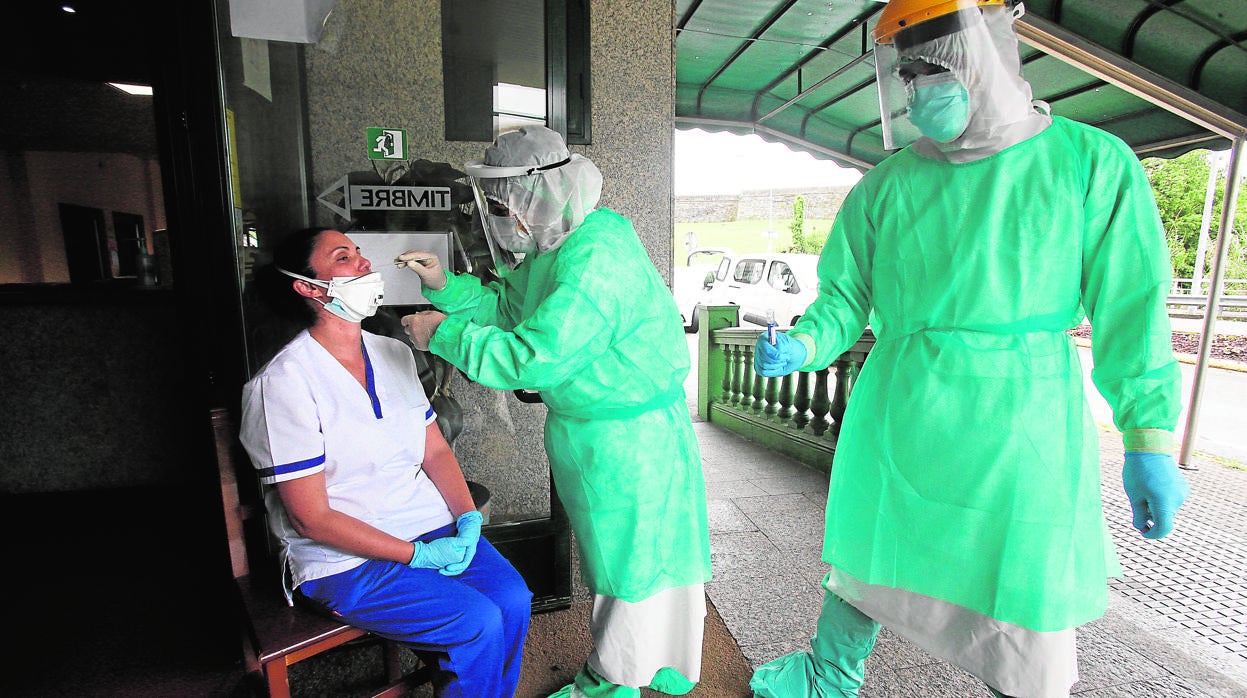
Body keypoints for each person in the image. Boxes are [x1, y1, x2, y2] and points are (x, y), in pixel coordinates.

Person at [747, 2, 1191, 697]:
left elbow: (1131, 309)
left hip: (1021, 421)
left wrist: (1150, 438)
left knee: (1019, 585)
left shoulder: (1089, 164)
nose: (916, 88)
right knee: (873, 553)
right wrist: (804, 342)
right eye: (906, 73)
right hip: (903, 408)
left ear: (982, 59)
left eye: (930, 69)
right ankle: (828, 672)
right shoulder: (888, 185)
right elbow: (842, 299)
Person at [397, 125, 712, 698]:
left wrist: (442, 335)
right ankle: (658, 665)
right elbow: (511, 306)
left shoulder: (594, 259)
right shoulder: (565, 244)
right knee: (646, 559)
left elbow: (532, 356)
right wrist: (446, 286)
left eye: (499, 203)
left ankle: (612, 682)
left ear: (536, 195)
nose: (495, 217)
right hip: (611, 432)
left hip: (625, 440)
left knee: (627, 570)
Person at [239, 227, 532, 698]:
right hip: (344, 559)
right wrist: (415, 556)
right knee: (475, 622)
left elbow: (434, 449)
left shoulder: (393, 353)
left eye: (358, 253)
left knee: (513, 600)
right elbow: (310, 518)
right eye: (344, 258)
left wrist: (468, 517)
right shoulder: (284, 383)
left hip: (426, 525)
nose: (363, 264)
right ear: (309, 287)